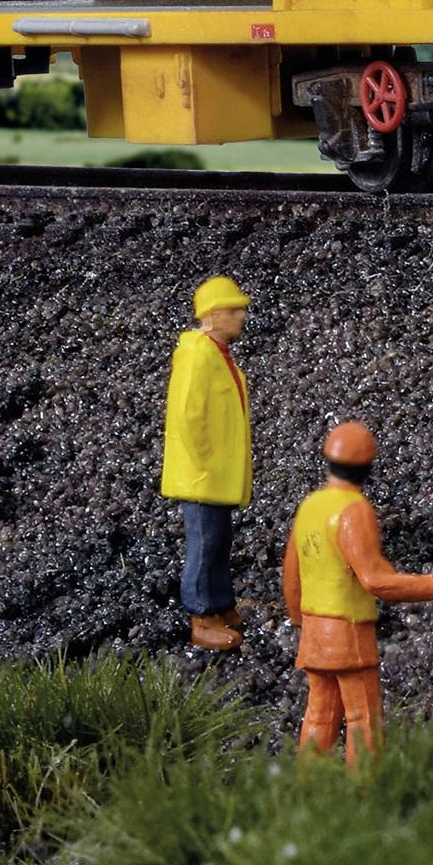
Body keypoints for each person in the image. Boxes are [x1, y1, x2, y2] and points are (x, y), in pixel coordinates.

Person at [282, 419, 433, 764]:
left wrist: (298, 617)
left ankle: (306, 789)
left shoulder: (311, 506)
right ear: (368, 468)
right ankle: (364, 791)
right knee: (363, 718)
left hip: (315, 631)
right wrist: (431, 583)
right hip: (348, 633)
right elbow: (374, 580)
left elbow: (292, 572)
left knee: (318, 714)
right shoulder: (354, 510)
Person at [160, 275, 253, 650]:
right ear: (213, 315)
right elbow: (187, 415)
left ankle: (221, 605)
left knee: (219, 540)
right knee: (203, 543)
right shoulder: (197, 354)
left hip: (216, 473)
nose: (242, 317)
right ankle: (200, 616)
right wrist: (206, 461)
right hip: (203, 476)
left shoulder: (216, 352)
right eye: (235, 310)